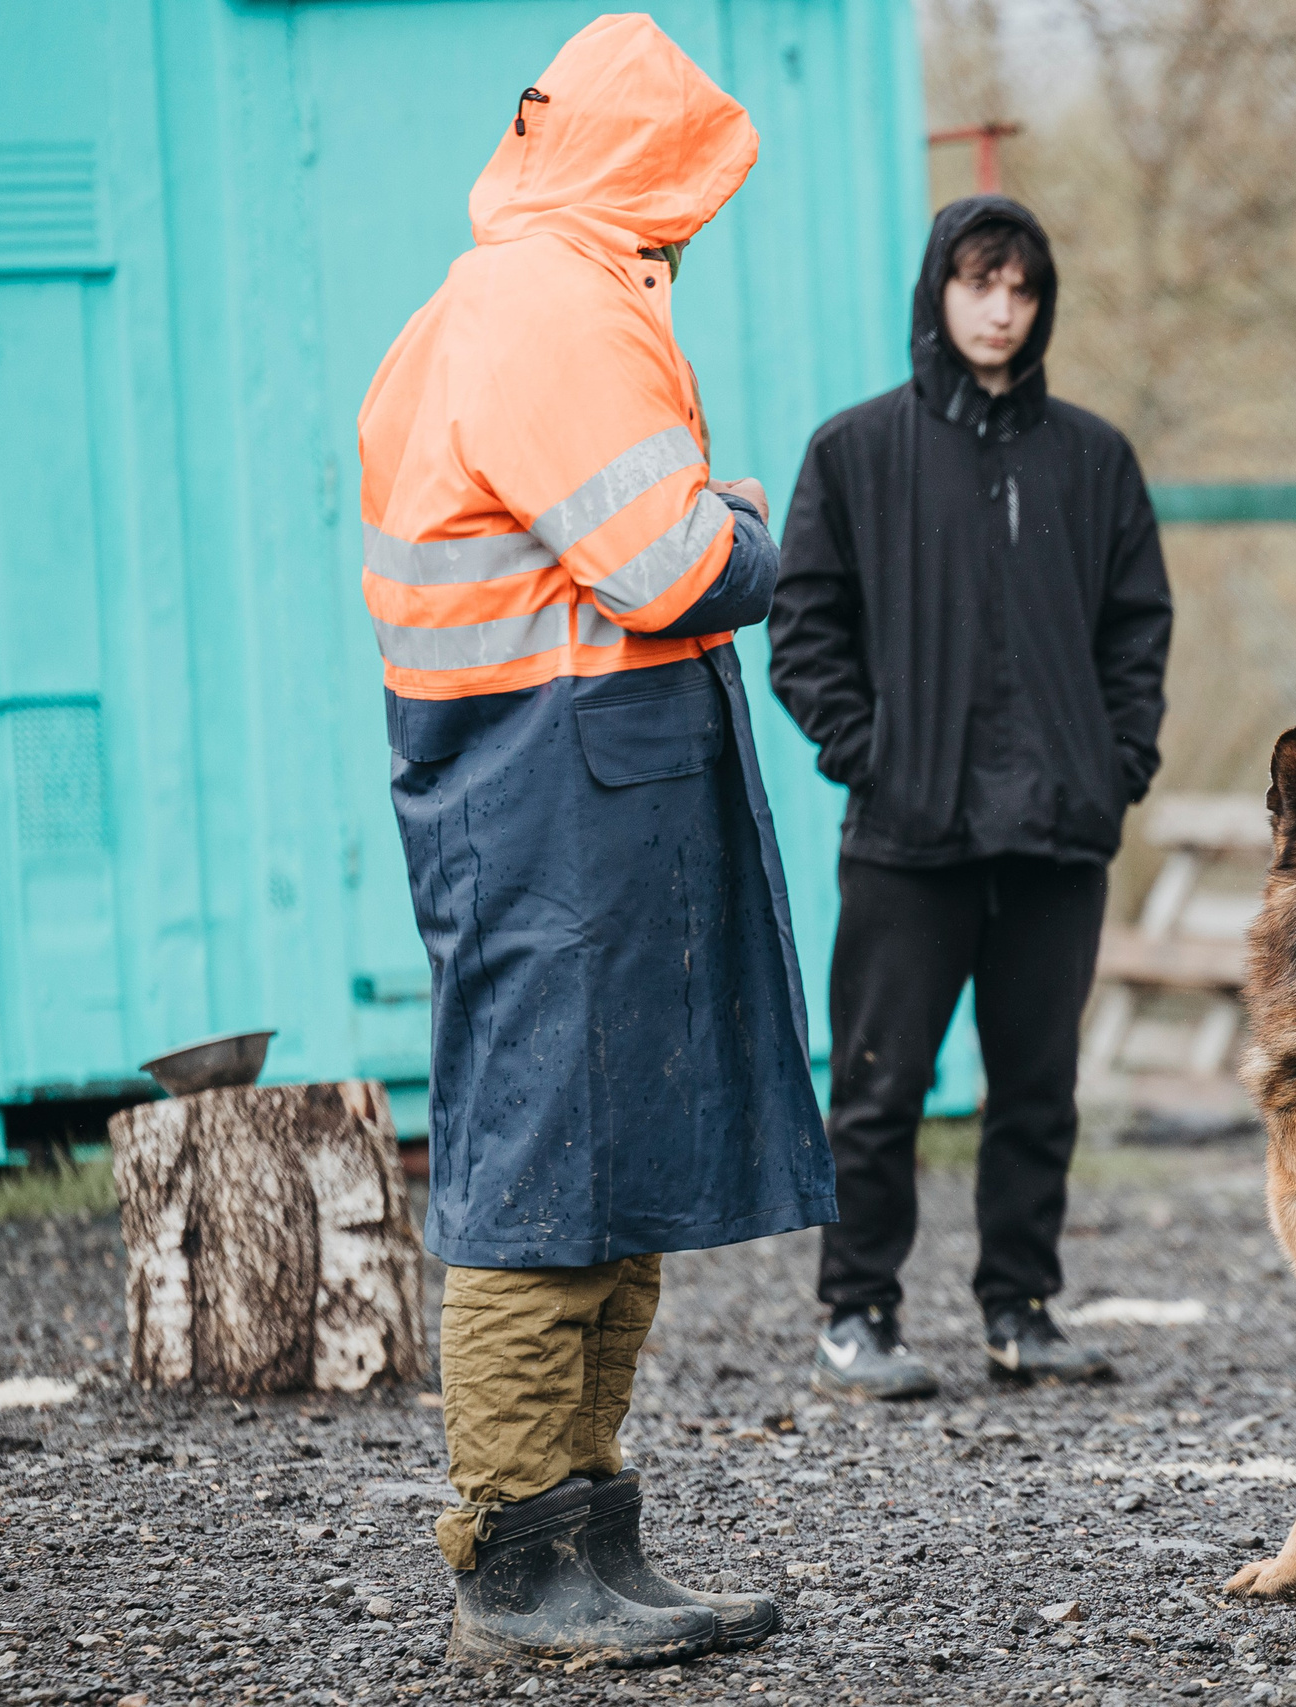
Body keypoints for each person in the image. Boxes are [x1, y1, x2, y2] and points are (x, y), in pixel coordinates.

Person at [357, 15, 834, 1670]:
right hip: (547, 785)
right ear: (641, 164)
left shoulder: (528, 290)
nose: (696, 221)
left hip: (577, 777)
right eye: (688, 185)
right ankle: (513, 1551)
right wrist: (754, 527)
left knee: (606, 1165)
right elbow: (674, 566)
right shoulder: (551, 306)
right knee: (540, 1170)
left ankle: (590, 1532)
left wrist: (720, 533)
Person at [771, 196, 1174, 1399]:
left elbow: (1135, 630)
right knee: (881, 1082)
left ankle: (1021, 1310)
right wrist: (871, 753)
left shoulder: (1091, 459)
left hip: (1055, 836)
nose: (999, 310)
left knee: (1037, 1089)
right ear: (937, 294)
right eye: (978, 283)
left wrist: (1114, 768)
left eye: (1021, 289)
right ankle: (857, 1314)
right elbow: (804, 632)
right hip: (911, 835)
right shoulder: (856, 453)